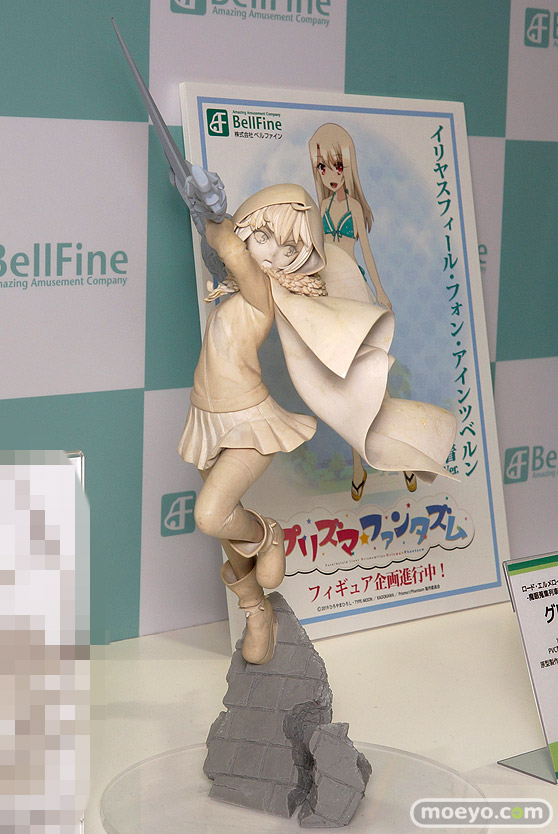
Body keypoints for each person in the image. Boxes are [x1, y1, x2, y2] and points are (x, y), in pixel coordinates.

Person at [178, 184, 456, 665]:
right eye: (263, 237)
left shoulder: (260, 291)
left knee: (210, 515)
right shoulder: (237, 288)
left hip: (247, 422)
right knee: (226, 530)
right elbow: (226, 250)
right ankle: (256, 613)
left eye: (288, 250)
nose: (272, 254)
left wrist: (206, 206)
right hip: (205, 415)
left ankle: (268, 534)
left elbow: (230, 248)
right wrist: (208, 208)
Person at [309, 123, 417, 496]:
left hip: (356, 295)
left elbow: (367, 255)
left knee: (375, 383)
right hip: (331, 301)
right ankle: (359, 466)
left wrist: (381, 293)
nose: (331, 174)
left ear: (348, 165)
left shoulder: (353, 208)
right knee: (347, 389)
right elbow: (318, 257)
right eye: (323, 166)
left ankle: (402, 457)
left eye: (337, 165)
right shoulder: (319, 208)